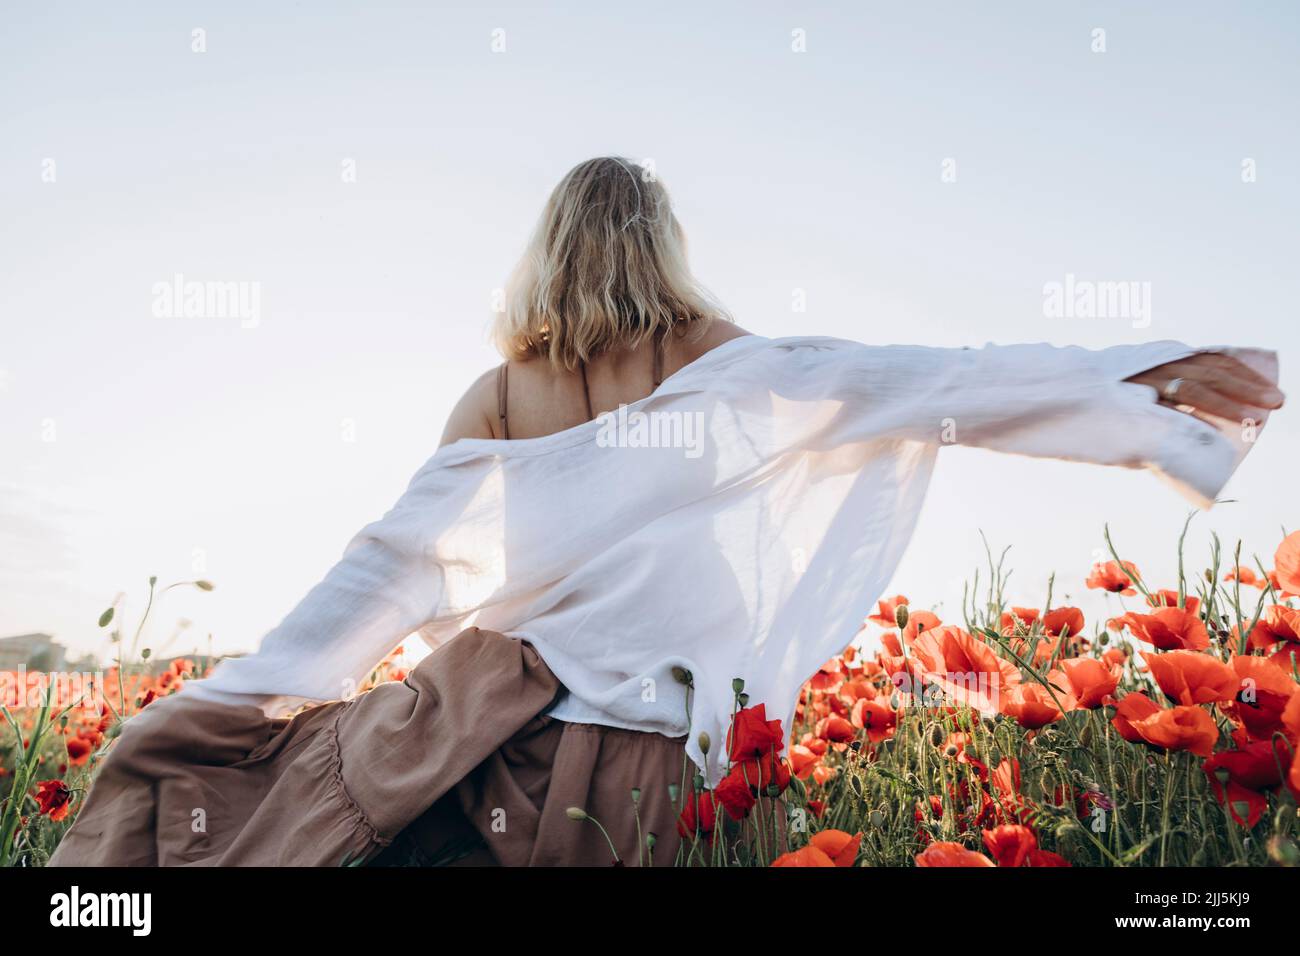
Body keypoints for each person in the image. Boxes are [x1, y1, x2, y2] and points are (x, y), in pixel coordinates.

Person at [50, 157, 1283, 867]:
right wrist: (1143, 384)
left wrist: (224, 704)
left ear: (544, 253)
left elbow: (381, 575)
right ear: (667, 246)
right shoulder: (738, 370)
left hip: (452, 743)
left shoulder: (495, 394)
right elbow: (939, 379)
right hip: (635, 782)